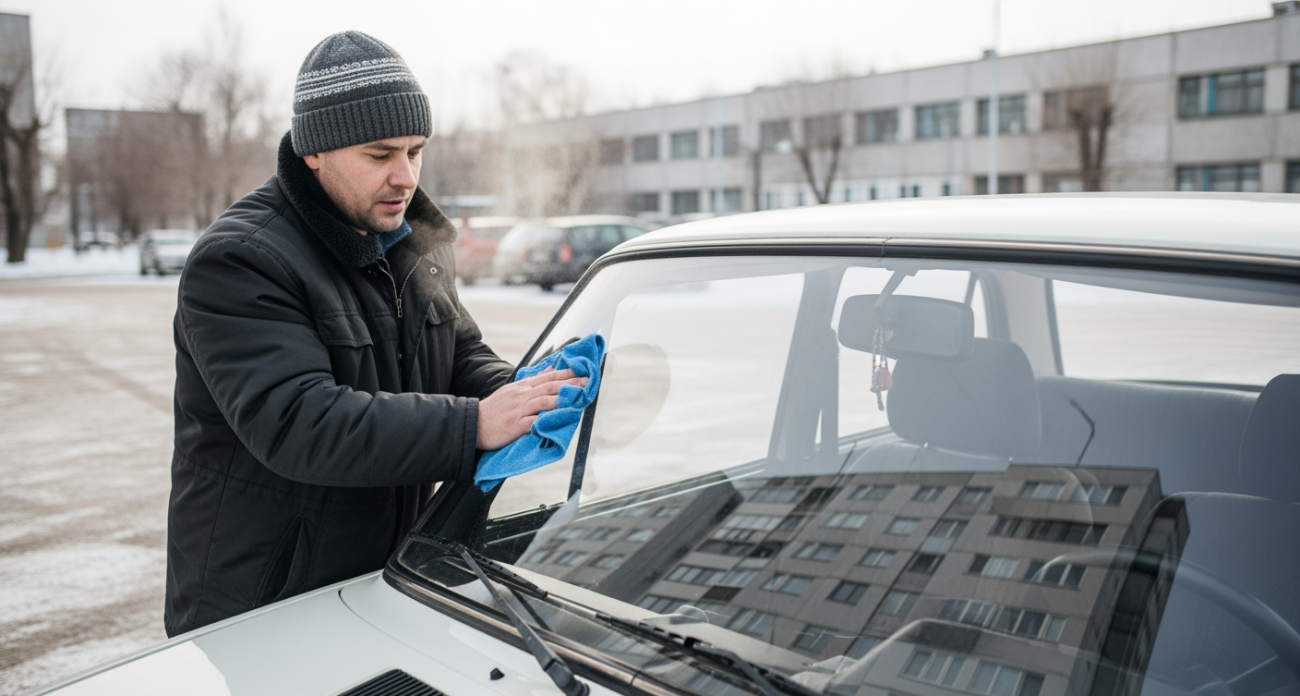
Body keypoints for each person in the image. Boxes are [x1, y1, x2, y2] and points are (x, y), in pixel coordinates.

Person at [164, 31, 583, 637]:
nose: (405, 176)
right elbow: (299, 422)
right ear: (314, 152)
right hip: (266, 605)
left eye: (416, 151)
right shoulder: (241, 260)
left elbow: (457, 350)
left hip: (392, 580)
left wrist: (525, 392)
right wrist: (477, 424)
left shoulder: (412, 241)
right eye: (379, 154)